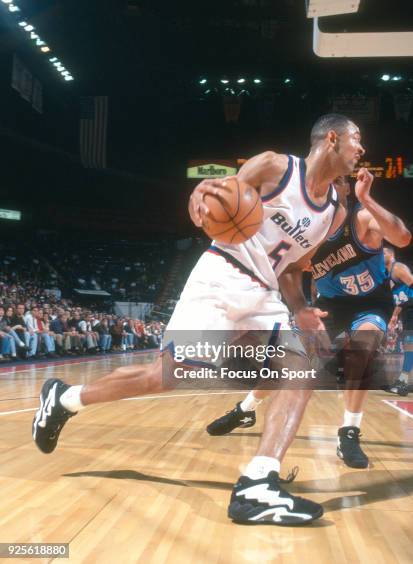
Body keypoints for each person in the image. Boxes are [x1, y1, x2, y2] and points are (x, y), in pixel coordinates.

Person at [33, 113, 367, 526]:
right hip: (221, 275)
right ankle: (64, 399)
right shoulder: (275, 166)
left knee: (299, 366)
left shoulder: (333, 212)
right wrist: (202, 194)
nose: (361, 149)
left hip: (264, 295)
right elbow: (222, 196)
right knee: (167, 376)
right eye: (356, 139)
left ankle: (259, 483)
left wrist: (299, 307)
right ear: (331, 138)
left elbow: (295, 267)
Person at [206, 174, 410, 470]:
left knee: (362, 351)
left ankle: (349, 431)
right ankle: (246, 410)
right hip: (329, 308)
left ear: (346, 190)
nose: (334, 184)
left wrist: (367, 198)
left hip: (369, 304)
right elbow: (288, 272)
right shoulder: (308, 233)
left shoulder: (363, 219)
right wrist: (300, 306)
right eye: (331, 179)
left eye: (340, 180)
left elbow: (403, 237)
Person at [384, 247, 413, 396]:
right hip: (406, 310)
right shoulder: (386, 273)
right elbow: (400, 299)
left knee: (410, 345)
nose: (381, 256)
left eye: (383, 253)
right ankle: (402, 381)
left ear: (391, 254)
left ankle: (402, 381)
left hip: (411, 308)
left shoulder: (399, 268)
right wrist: (395, 315)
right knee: (409, 346)